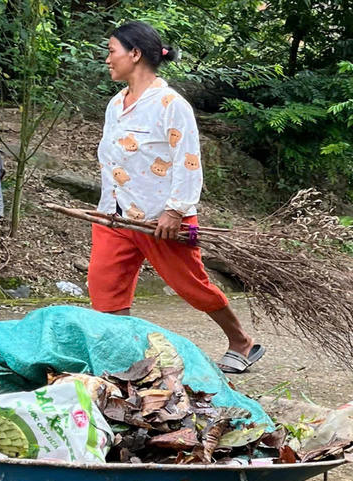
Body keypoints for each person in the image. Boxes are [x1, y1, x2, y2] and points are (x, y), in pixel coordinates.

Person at [90, 21, 262, 373]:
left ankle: (241, 342)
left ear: (134, 54)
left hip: (162, 219)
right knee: (105, 288)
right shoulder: (115, 104)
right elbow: (112, 159)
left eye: (112, 51)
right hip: (115, 215)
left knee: (191, 285)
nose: (107, 59)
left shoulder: (171, 104)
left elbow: (188, 161)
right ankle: (128, 361)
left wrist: (174, 211)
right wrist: (106, 207)